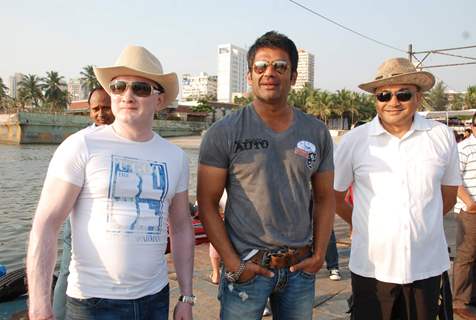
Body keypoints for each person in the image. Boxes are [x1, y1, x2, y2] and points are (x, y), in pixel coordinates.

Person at [26, 45, 195, 320]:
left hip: (155, 299)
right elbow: (45, 225)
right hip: (93, 303)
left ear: (159, 100)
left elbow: (180, 227)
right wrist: (39, 305)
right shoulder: (81, 146)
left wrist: (186, 296)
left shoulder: (175, 157)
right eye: (118, 87)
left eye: (140, 88)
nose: (127, 95)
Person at [197, 31, 335, 319]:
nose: (269, 73)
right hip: (248, 269)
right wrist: (234, 264)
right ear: (249, 76)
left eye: (280, 66)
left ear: (294, 76)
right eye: (261, 66)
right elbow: (207, 203)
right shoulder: (223, 132)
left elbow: (324, 198)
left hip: (300, 269)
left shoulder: (316, 132)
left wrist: (319, 254)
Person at [334, 57, 461, 319]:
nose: (393, 102)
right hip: (372, 268)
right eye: (384, 95)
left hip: (426, 265)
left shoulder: (441, 136)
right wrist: (363, 223)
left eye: (403, 94)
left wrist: (419, 224)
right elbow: (335, 196)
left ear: (418, 97)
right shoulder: (354, 141)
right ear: (375, 100)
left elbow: (447, 197)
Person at [52, 87, 114, 320]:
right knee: (69, 270)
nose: (101, 113)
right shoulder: (82, 142)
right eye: (95, 109)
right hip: (79, 221)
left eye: (105, 107)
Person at [453, 112, 476, 319]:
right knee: (466, 256)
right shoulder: (464, 148)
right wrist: (470, 203)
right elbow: (453, 178)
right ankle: (460, 301)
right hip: (470, 212)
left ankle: (472, 297)